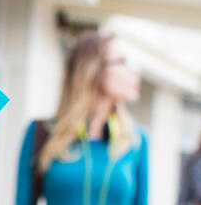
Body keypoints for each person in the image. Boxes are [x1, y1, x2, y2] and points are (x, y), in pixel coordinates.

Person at [15, 31, 148, 205]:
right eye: (122, 62)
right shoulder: (41, 132)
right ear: (94, 70)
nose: (133, 72)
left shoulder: (136, 140)